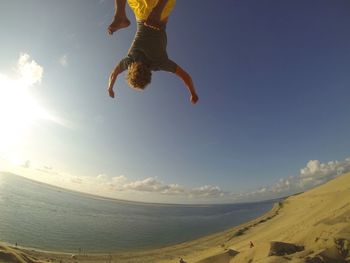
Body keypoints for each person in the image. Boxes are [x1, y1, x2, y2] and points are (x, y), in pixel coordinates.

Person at [107, 0, 199, 104]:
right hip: (141, 14)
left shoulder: (160, 63)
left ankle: (127, 15)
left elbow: (185, 76)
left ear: (149, 75)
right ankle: (120, 15)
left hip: (160, 15)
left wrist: (193, 93)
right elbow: (114, 74)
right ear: (130, 71)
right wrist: (110, 88)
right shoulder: (130, 61)